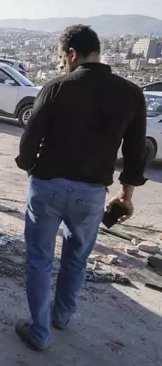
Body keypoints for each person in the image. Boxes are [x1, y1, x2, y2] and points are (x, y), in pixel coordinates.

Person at [14, 24, 147, 351]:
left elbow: (29, 141)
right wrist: (126, 196)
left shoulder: (56, 87)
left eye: (62, 58)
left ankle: (39, 332)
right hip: (91, 195)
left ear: (72, 53)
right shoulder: (131, 93)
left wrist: (31, 168)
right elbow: (135, 152)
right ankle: (61, 317)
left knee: (39, 260)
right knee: (76, 259)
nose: (61, 64)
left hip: (47, 187)